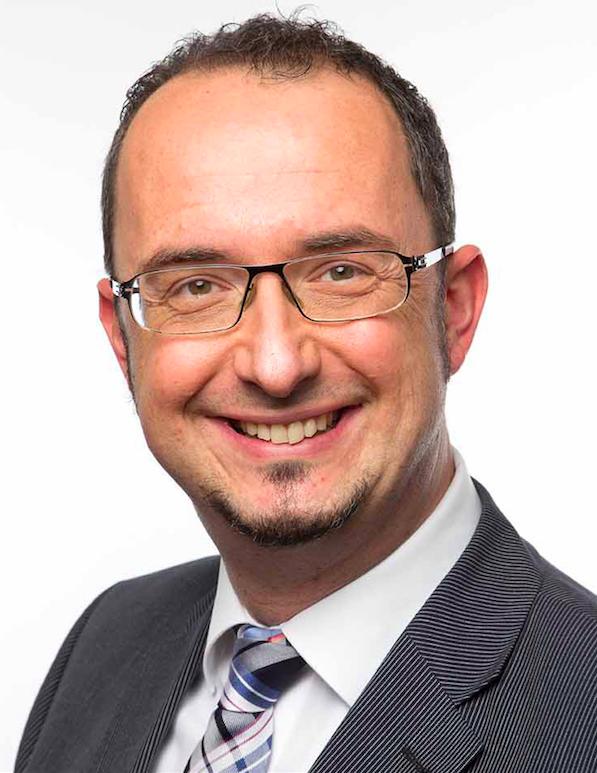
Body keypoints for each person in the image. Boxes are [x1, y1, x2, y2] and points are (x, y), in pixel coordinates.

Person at [15, 13, 597, 773]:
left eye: (341, 272)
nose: (276, 364)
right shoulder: (107, 644)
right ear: (123, 339)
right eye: (195, 285)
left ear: (454, 309)